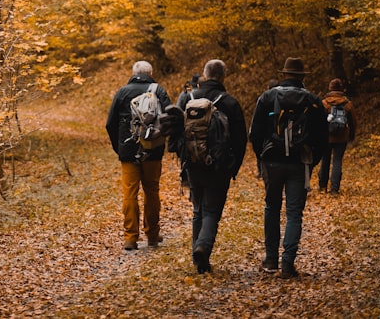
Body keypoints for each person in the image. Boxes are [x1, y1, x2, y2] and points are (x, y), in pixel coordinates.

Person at [248, 57, 328, 279]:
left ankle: (271, 259)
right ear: (302, 77)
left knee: (271, 208)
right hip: (299, 163)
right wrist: (312, 161)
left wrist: (262, 157)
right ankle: (287, 264)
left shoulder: (267, 97)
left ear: (284, 75)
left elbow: (254, 133)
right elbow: (323, 137)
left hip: (272, 161)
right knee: (294, 213)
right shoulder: (313, 100)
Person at [175, 59, 247, 274]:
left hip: (193, 163)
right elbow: (240, 139)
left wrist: (183, 158)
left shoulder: (189, 98)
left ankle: (199, 260)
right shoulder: (230, 102)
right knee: (212, 211)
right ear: (223, 76)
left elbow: (177, 130)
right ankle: (203, 248)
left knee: (198, 209)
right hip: (219, 166)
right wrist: (233, 168)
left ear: (205, 75)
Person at [105, 60, 172, 250]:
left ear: (133, 73)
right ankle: (152, 235)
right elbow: (169, 118)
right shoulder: (158, 90)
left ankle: (130, 238)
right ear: (150, 72)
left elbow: (110, 123)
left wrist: (120, 148)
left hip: (128, 150)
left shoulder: (122, 92)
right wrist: (162, 140)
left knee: (130, 193)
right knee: (152, 191)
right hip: (153, 148)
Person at [318, 78, 356, 194]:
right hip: (341, 136)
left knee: (325, 160)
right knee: (337, 160)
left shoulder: (324, 103)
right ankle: (334, 188)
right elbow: (353, 121)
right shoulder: (347, 103)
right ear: (341, 89)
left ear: (330, 88)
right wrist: (351, 135)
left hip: (326, 136)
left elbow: (319, 121)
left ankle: (322, 186)